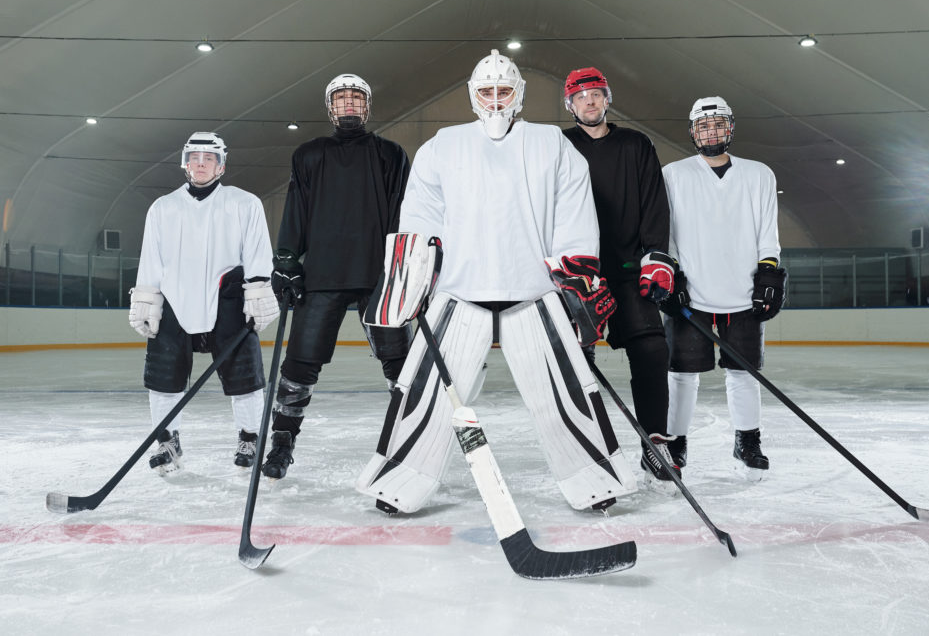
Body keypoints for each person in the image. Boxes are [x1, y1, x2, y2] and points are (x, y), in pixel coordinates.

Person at [356, 49, 637, 515]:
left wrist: (577, 278)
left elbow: (574, 212)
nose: (494, 100)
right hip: (459, 294)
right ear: (472, 96)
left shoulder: (551, 143)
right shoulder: (443, 145)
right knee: (425, 391)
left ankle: (594, 479)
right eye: (485, 92)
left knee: (564, 391)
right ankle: (398, 482)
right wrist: (415, 279)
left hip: (533, 291)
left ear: (519, 95)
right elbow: (420, 215)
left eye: (503, 91)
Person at [262, 74, 412, 480]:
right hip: (323, 272)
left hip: (378, 271)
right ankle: (282, 441)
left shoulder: (390, 154)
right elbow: (295, 210)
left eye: (356, 98)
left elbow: (403, 212)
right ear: (330, 107)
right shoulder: (310, 155)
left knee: (399, 362)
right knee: (299, 363)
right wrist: (287, 262)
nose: (349, 104)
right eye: (341, 99)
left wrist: (407, 267)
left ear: (367, 106)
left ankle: (410, 438)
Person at [129, 132, 278, 477]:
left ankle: (250, 438)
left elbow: (258, 253)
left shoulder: (244, 203)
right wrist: (147, 297)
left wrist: (258, 291)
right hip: (175, 301)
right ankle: (167, 441)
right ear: (185, 163)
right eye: (194, 158)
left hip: (227, 300)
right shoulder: (163, 208)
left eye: (207, 159)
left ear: (220, 165)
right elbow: (151, 258)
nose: (200, 164)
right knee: (163, 379)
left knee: (245, 379)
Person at [560, 67, 678, 483]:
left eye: (596, 94)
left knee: (651, 351)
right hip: (577, 273)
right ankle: (588, 445)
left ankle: (655, 443)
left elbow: (653, 203)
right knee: (577, 361)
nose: (589, 102)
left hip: (629, 269)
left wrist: (656, 257)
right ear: (570, 104)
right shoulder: (558, 146)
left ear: (607, 99)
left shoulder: (635, 144)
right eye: (581, 96)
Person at [661, 97, 787, 480]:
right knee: (681, 374)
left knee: (743, 373)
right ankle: (675, 442)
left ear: (730, 128)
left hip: (743, 293)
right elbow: (665, 232)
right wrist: (672, 274)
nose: (710, 132)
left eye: (717, 125)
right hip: (691, 294)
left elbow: (768, 229)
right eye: (703, 126)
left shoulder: (759, 174)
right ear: (693, 132)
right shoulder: (673, 174)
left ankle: (747, 441)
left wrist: (769, 271)